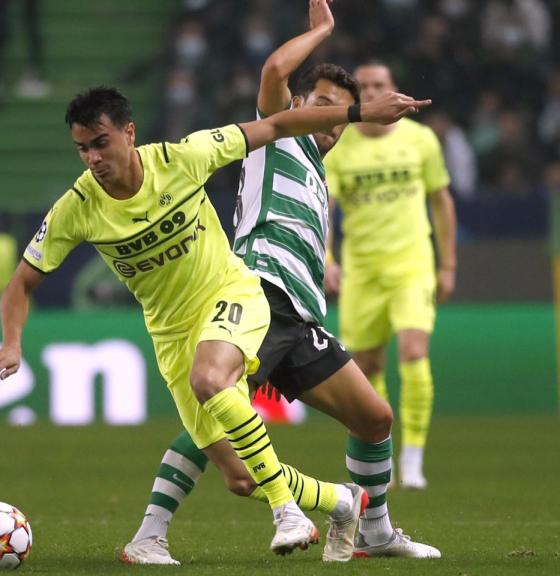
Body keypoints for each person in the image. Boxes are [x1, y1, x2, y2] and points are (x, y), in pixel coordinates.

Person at [0, 77, 428, 555]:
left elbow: (274, 124)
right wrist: (11, 341)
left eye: (101, 144)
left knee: (211, 380)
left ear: (129, 133)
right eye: (82, 149)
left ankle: (286, 512)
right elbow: (21, 282)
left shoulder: (182, 157)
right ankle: (338, 500)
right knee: (237, 475)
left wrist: (359, 115)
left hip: (232, 294)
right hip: (172, 332)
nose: (92, 159)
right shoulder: (78, 207)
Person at [121, 0, 441, 563]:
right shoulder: (278, 136)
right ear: (299, 106)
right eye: (320, 105)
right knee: (220, 404)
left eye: (336, 113)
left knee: (374, 416)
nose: (329, 120)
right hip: (258, 294)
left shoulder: (322, 168)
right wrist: (322, 32)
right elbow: (272, 74)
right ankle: (150, 533)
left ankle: (374, 530)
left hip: (300, 314)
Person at [324, 60, 457, 490]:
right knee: (366, 368)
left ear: (394, 88)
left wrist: (447, 263)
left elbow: (441, 202)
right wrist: (326, 258)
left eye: (380, 83)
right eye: (364, 86)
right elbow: (323, 207)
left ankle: (414, 461)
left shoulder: (420, 140)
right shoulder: (340, 146)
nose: (373, 90)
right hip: (362, 269)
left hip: (412, 263)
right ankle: (383, 453)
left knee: (415, 352)